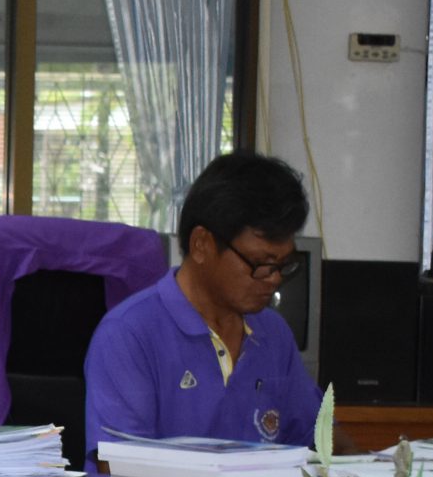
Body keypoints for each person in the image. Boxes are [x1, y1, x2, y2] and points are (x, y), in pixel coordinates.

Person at [82, 151, 324, 456]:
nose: (274, 278)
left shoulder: (273, 333)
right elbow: (119, 465)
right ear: (201, 245)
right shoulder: (128, 335)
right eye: (261, 263)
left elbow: (317, 440)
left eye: (283, 265)